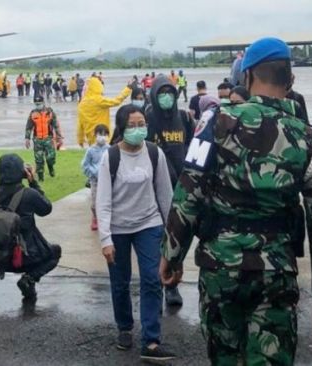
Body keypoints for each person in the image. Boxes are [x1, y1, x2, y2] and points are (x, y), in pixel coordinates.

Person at [164, 37, 312, 365]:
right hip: (277, 270)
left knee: (225, 357)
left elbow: (189, 190)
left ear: (246, 78)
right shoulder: (311, 139)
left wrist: (172, 255)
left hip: (221, 267)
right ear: (290, 80)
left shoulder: (214, 123)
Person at [97, 105, 175, 363]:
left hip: (149, 224)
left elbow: (165, 194)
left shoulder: (155, 153)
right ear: (121, 127)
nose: (139, 129)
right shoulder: (111, 157)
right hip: (118, 227)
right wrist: (105, 238)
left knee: (152, 279)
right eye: (132, 125)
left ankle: (151, 340)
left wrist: (171, 232)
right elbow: (103, 201)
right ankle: (125, 327)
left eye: (142, 123)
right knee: (120, 282)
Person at [0, 154, 62, 300]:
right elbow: (46, 209)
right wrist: (33, 182)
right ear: (21, 172)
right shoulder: (30, 195)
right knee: (55, 252)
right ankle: (29, 279)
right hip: (24, 258)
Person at [145, 74, 195, 306]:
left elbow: (194, 148)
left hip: (180, 188)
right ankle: (158, 282)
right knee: (156, 239)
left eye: (170, 93)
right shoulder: (146, 119)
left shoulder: (184, 118)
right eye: (161, 93)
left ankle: (173, 285)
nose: (166, 98)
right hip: (153, 189)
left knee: (177, 238)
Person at [77, 77, 132, 147]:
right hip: (103, 136)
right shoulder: (99, 100)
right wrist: (128, 88)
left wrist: (80, 140)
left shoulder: (82, 104)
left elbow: (80, 124)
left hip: (90, 138)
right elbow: (117, 101)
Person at [25, 95, 61, 181]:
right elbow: (29, 127)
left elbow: (56, 125)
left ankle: (51, 167)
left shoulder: (50, 112)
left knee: (50, 157)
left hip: (48, 138)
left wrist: (59, 137)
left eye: (39, 103)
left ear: (43, 103)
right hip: (37, 140)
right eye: (36, 104)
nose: (38, 105)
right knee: (39, 160)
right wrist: (27, 138)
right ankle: (41, 178)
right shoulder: (33, 113)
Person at [81, 124, 110, 231]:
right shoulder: (91, 150)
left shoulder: (110, 149)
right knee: (94, 201)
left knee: (108, 201)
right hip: (95, 181)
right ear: (95, 135)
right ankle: (95, 217)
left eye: (104, 134)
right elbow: (85, 165)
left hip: (107, 181)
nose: (102, 137)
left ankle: (106, 219)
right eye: (99, 134)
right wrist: (93, 173)